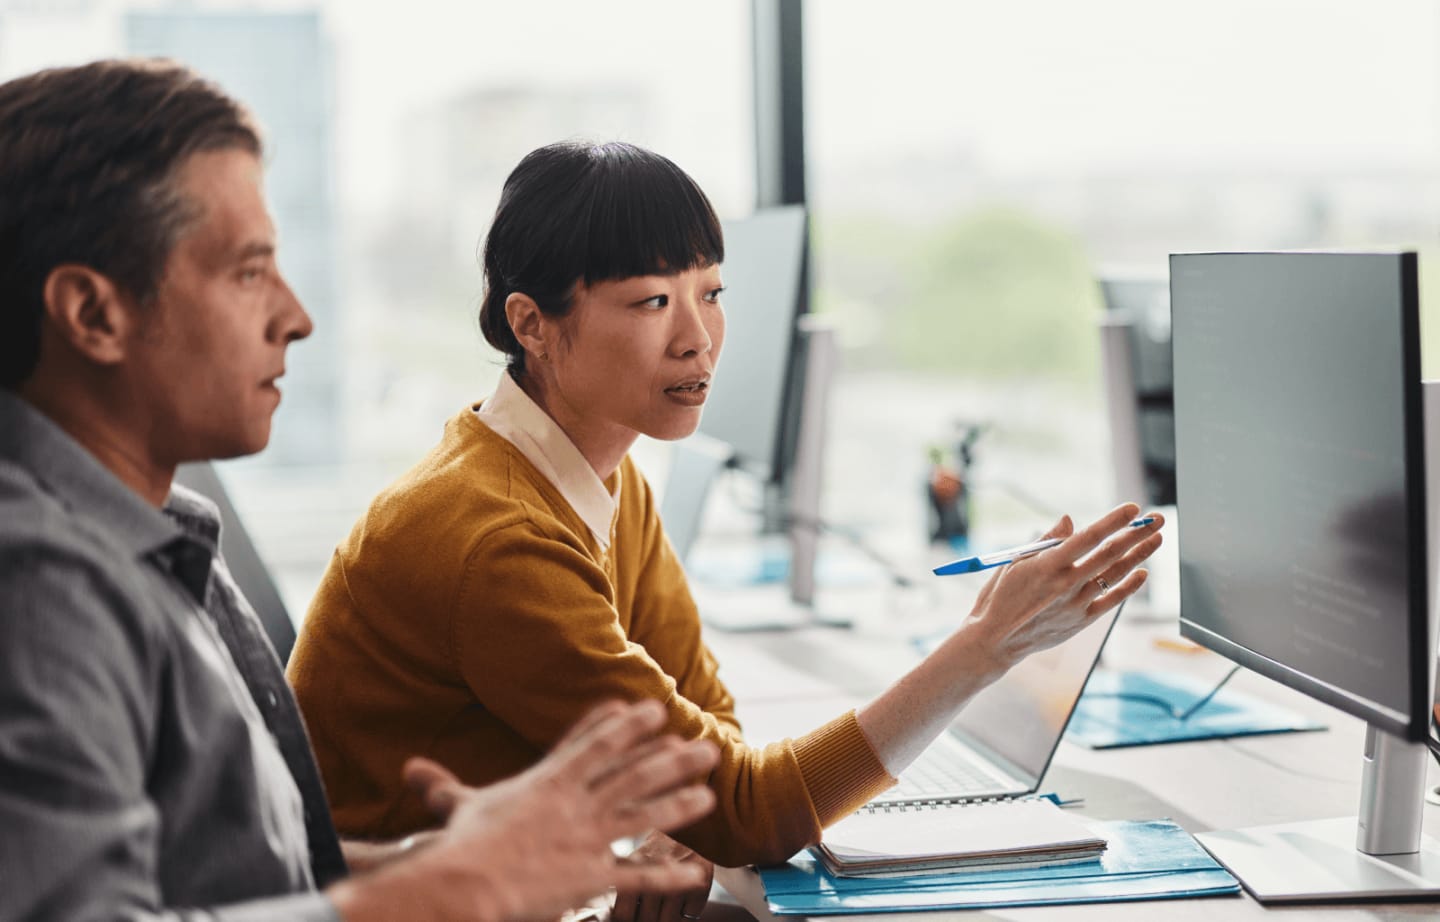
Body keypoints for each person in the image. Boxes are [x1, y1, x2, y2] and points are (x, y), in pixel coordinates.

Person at [288, 141, 1165, 921]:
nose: (698, 340)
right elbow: (748, 807)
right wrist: (982, 648)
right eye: (650, 302)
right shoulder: (494, 537)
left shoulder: (600, 476)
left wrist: (692, 822)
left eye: (710, 294)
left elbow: (710, 728)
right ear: (532, 325)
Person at [0, 60, 722, 922]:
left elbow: (232, 867)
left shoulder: (148, 533)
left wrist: (446, 859)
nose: (295, 316)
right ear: (92, 315)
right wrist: (443, 888)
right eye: (247, 272)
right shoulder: (41, 586)